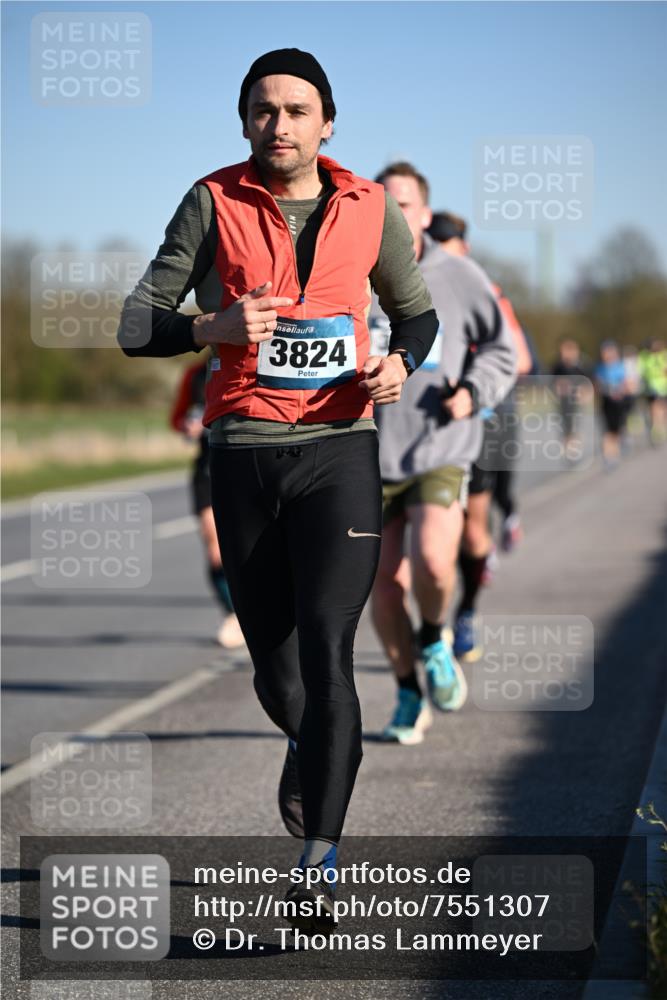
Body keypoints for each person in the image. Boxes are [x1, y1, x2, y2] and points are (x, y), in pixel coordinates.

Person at [118, 49, 438, 932]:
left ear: (325, 122)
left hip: (340, 449)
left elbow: (414, 312)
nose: (280, 125)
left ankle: (319, 863)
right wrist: (208, 325)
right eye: (264, 110)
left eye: (297, 110)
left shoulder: (369, 206)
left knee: (329, 650)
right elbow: (133, 323)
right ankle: (308, 742)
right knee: (276, 665)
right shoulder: (212, 200)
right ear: (245, 121)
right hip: (244, 452)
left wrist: (398, 361)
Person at [369, 165, 516, 745]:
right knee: (383, 586)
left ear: (426, 214)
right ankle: (408, 691)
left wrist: (473, 392)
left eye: (404, 204)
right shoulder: (349, 272)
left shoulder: (458, 274)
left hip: (440, 444)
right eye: (383, 206)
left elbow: (503, 350)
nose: (394, 216)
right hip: (366, 451)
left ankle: (433, 637)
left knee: (433, 562)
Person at [428, 212, 533, 659]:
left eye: (450, 244)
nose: (443, 252)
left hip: (483, 419)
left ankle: (466, 611)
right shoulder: (413, 282)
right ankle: (429, 630)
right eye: (438, 243)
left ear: (464, 248)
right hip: (427, 423)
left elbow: (521, 360)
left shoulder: (486, 290)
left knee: (472, 529)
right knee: (428, 533)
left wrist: (473, 385)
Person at [170, 356, 245, 648]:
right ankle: (233, 613)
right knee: (215, 549)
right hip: (208, 469)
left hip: (247, 465)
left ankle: (259, 608)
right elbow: (177, 417)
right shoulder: (195, 375)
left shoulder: (252, 359)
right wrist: (186, 427)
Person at [551, 337, 591, 463]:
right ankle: (569, 450)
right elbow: (550, 382)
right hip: (562, 402)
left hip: (576, 402)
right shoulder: (557, 366)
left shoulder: (581, 365)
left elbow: (588, 383)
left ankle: (573, 449)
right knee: (565, 426)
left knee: (574, 425)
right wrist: (558, 387)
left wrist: (584, 393)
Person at [594, 340, 628, 468]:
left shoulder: (619, 366)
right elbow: (596, 385)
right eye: (604, 352)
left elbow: (625, 383)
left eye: (609, 351)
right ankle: (609, 456)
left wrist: (620, 390)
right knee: (607, 430)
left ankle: (615, 451)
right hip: (606, 402)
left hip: (618, 403)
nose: (607, 354)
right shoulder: (599, 367)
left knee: (616, 430)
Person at [639, 338, 667, 445]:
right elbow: (642, 370)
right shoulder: (645, 357)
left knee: (662, 408)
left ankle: (660, 426)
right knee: (654, 407)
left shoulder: (664, 355)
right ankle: (656, 427)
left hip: (664, 386)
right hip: (652, 387)